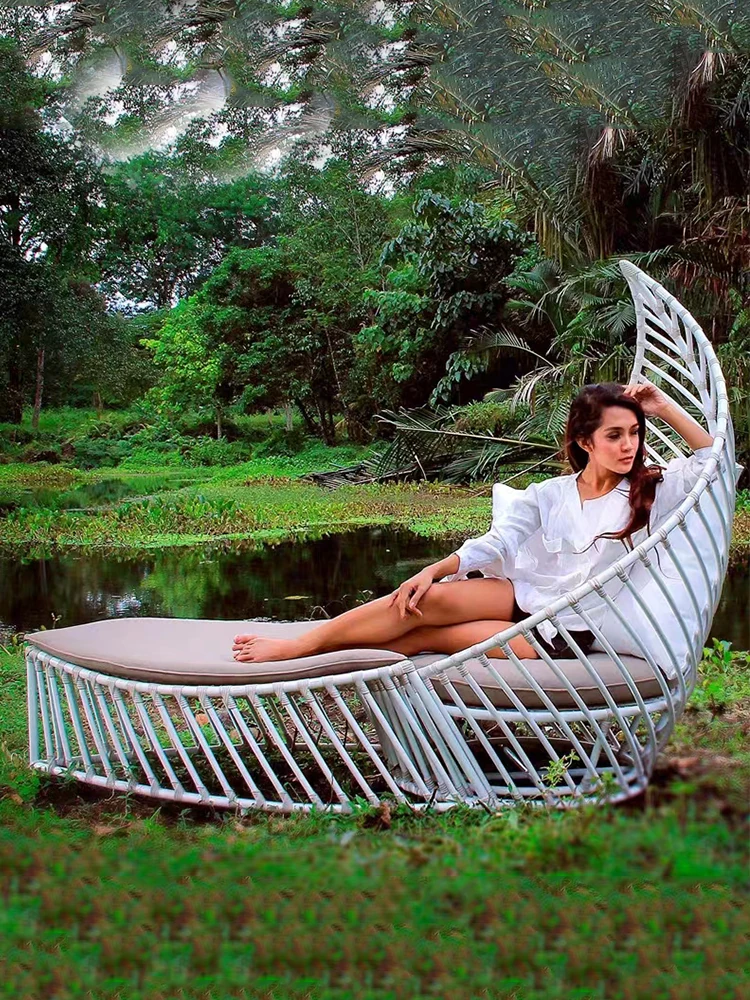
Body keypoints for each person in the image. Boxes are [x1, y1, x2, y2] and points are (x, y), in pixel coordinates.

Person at [232, 381, 714, 664]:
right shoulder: (551, 494)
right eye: (615, 435)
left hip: (570, 627)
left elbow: (715, 465)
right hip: (529, 595)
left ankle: (316, 651)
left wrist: (664, 408)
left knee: (422, 639)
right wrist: (435, 569)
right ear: (585, 442)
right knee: (422, 600)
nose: (629, 445)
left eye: (634, 433)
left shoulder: (650, 490)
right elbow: (500, 540)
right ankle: (304, 643)